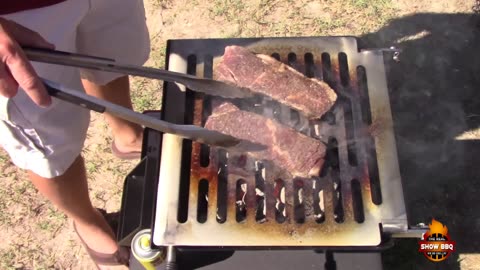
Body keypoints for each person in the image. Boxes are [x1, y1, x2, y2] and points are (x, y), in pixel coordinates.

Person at [0, 1, 150, 269]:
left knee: (112, 56)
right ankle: (90, 225)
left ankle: (127, 136)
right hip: (16, 11)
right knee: (47, 137)